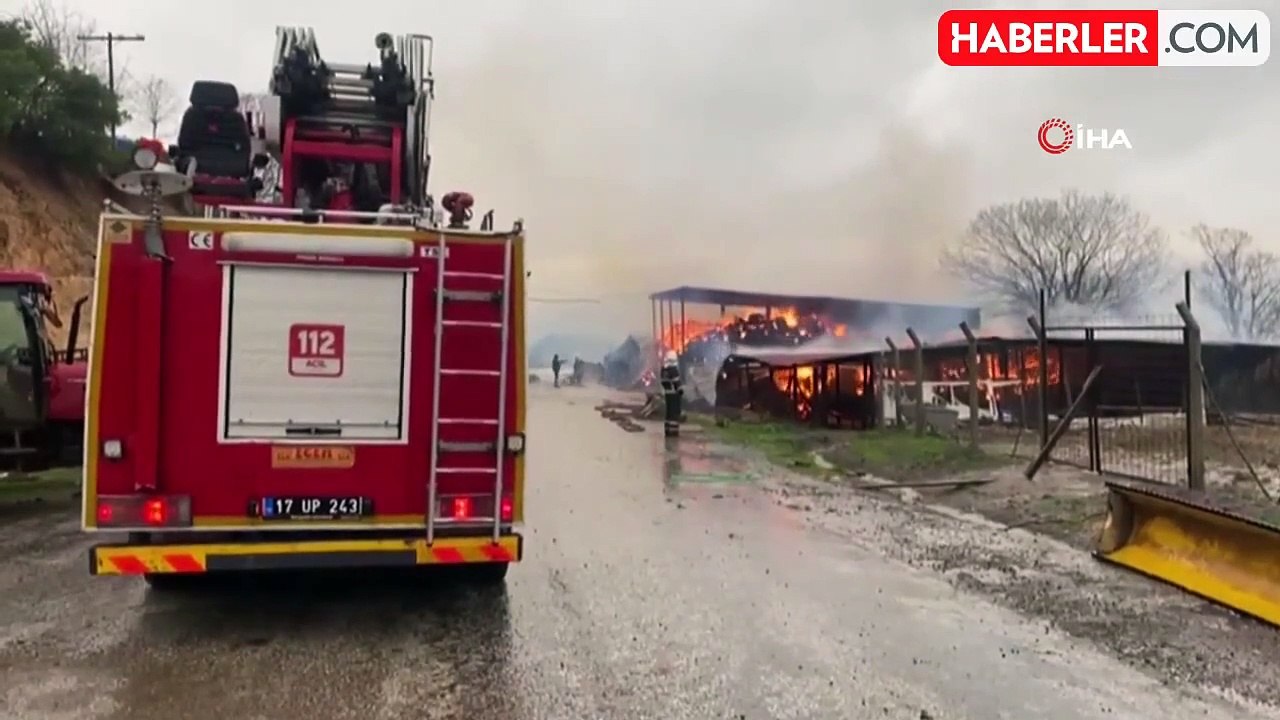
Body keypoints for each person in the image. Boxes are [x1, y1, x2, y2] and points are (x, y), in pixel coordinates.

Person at [659, 350, 683, 438]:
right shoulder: (673, 370)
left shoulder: (663, 370)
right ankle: (673, 432)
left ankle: (667, 430)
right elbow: (677, 382)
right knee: (674, 413)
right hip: (674, 395)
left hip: (667, 394)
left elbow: (663, 382)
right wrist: (680, 390)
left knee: (668, 413)